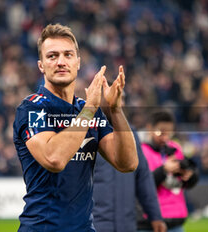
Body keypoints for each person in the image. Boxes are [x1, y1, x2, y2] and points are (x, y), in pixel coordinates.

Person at [13, 23, 138, 232]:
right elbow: (54, 159)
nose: (61, 62)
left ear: (78, 62)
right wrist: (90, 109)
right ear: (41, 65)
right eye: (52, 56)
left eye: (68, 55)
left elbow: (128, 163)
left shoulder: (88, 109)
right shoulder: (32, 108)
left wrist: (115, 110)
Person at [93, 129, 167, 232]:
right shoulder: (86, 130)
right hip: (94, 226)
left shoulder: (130, 132)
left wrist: (155, 216)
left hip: (127, 225)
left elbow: (143, 179)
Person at [139, 111, 199, 232]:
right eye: (160, 132)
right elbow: (141, 185)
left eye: (169, 133)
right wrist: (164, 169)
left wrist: (189, 175)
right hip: (150, 221)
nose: (165, 137)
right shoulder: (142, 151)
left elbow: (191, 179)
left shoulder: (175, 147)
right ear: (150, 129)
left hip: (176, 219)